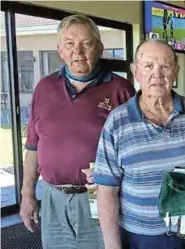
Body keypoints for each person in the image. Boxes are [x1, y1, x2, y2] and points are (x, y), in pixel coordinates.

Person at [20, 14, 135, 249]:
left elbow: (135, 151)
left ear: (100, 48)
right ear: (60, 50)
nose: (78, 52)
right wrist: (27, 195)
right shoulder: (44, 88)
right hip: (52, 199)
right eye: (70, 44)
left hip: (100, 198)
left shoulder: (121, 90)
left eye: (87, 43)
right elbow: (33, 146)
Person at [93, 39, 185, 249]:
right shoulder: (117, 121)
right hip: (140, 239)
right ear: (135, 71)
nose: (157, 75)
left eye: (165, 66)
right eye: (148, 66)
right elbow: (106, 191)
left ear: (176, 71)